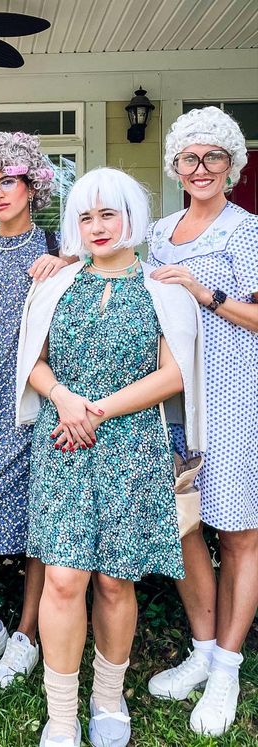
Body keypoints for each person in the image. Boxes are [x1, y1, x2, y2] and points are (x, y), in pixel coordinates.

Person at [16, 167, 206, 747]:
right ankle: (62, 715)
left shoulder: (163, 285)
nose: (97, 227)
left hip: (129, 444)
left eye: (109, 214)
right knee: (64, 579)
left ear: (131, 217)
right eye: (85, 216)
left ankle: (106, 697)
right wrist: (64, 399)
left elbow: (174, 375)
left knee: (117, 582)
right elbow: (34, 360)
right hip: (62, 441)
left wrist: (94, 411)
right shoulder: (55, 283)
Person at [146, 106, 258, 736]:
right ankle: (201, 649)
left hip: (237, 395)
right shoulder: (160, 231)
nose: (201, 168)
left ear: (232, 166)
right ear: (177, 167)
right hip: (175, 402)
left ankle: (228, 667)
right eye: (190, 158)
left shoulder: (247, 231)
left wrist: (205, 293)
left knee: (239, 531)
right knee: (189, 525)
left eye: (214, 156)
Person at [0, 131, 71, 683]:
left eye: (9, 182)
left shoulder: (58, 245)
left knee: (38, 520)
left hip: (35, 401)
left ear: (33, 185)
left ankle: (27, 632)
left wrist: (66, 262)